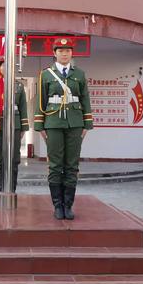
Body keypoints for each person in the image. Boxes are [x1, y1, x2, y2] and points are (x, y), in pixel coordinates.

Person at [34, 38, 93, 220]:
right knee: (55, 166)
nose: (64, 53)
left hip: (75, 125)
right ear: (55, 53)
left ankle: (68, 205)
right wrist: (40, 126)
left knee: (72, 166)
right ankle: (57, 205)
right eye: (61, 50)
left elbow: (85, 100)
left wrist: (86, 125)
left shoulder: (79, 74)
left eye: (67, 50)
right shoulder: (46, 75)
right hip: (53, 124)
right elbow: (40, 101)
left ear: (71, 53)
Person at [0, 58, 29, 192]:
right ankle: (1, 188)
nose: (5, 68)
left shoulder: (19, 86)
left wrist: (23, 127)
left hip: (15, 124)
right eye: (2, 66)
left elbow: (23, 107)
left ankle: (11, 188)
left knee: (14, 158)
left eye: (8, 66)